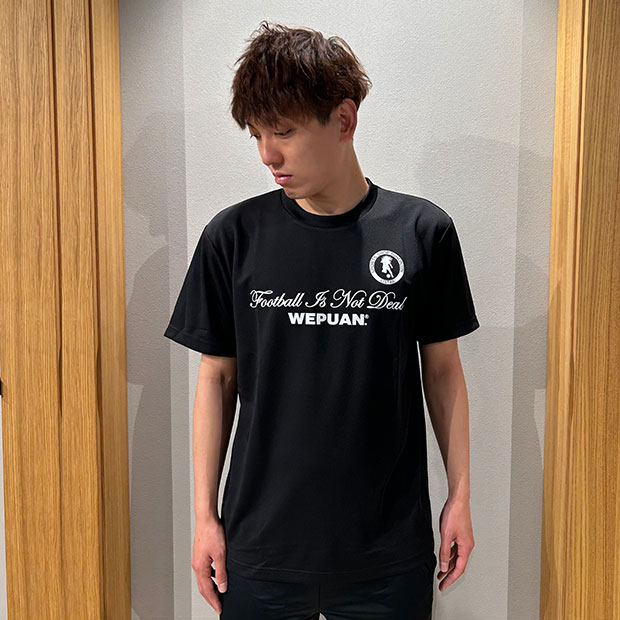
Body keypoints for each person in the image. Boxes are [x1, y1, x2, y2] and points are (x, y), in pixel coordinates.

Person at [164, 20, 480, 620]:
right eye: (257, 134)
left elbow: (442, 372)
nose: (268, 154)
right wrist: (204, 517)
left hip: (386, 553)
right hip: (259, 549)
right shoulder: (233, 236)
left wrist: (460, 497)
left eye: (283, 131)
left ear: (343, 120)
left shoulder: (421, 232)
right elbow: (216, 379)